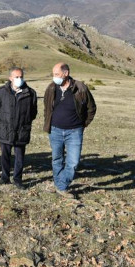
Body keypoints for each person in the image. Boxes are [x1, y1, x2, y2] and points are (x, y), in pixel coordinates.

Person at [43, 62, 96, 199]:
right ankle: (60, 185)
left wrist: (83, 124)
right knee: (57, 159)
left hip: (74, 132)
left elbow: (91, 108)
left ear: (65, 73)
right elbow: (47, 107)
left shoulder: (80, 88)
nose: (54, 77)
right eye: (53, 74)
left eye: (56, 74)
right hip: (55, 130)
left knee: (73, 162)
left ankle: (60, 185)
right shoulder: (51, 88)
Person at [0, 67, 37, 190]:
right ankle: (5, 177)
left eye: (21, 77)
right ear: (10, 78)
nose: (19, 79)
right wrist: (4, 120)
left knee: (19, 156)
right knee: (5, 155)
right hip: (6, 129)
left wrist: (25, 122)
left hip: (22, 130)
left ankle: (17, 179)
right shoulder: (1, 92)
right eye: (16, 77)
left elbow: (33, 112)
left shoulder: (30, 93)